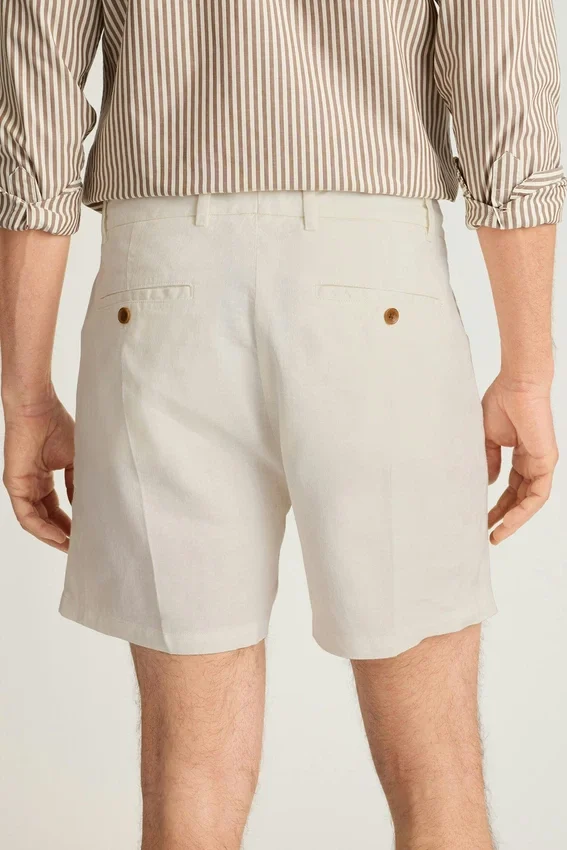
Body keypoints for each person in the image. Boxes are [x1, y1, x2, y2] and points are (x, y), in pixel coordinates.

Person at [0, 2, 563, 848]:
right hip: (377, 286)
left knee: (189, 775)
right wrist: (526, 372)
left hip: (158, 288)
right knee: (434, 769)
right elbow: (503, 95)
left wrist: (25, 395)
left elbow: (32, 116)